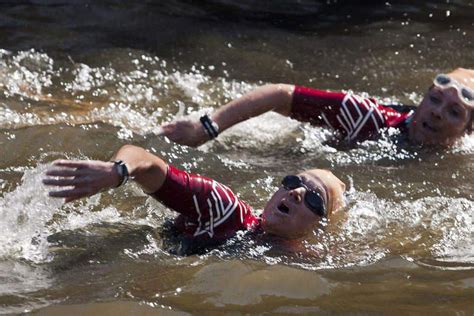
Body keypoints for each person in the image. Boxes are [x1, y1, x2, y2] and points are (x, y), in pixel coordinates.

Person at [43, 145, 346, 254]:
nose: (296, 192)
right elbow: (147, 162)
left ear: (319, 227)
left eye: (314, 200)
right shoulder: (225, 210)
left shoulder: (306, 260)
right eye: (292, 182)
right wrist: (117, 171)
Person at [160, 68, 474, 147]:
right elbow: (279, 94)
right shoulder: (368, 117)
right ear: (422, 100)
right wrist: (207, 126)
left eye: (454, 112)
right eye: (433, 99)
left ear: (467, 131)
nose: (436, 112)